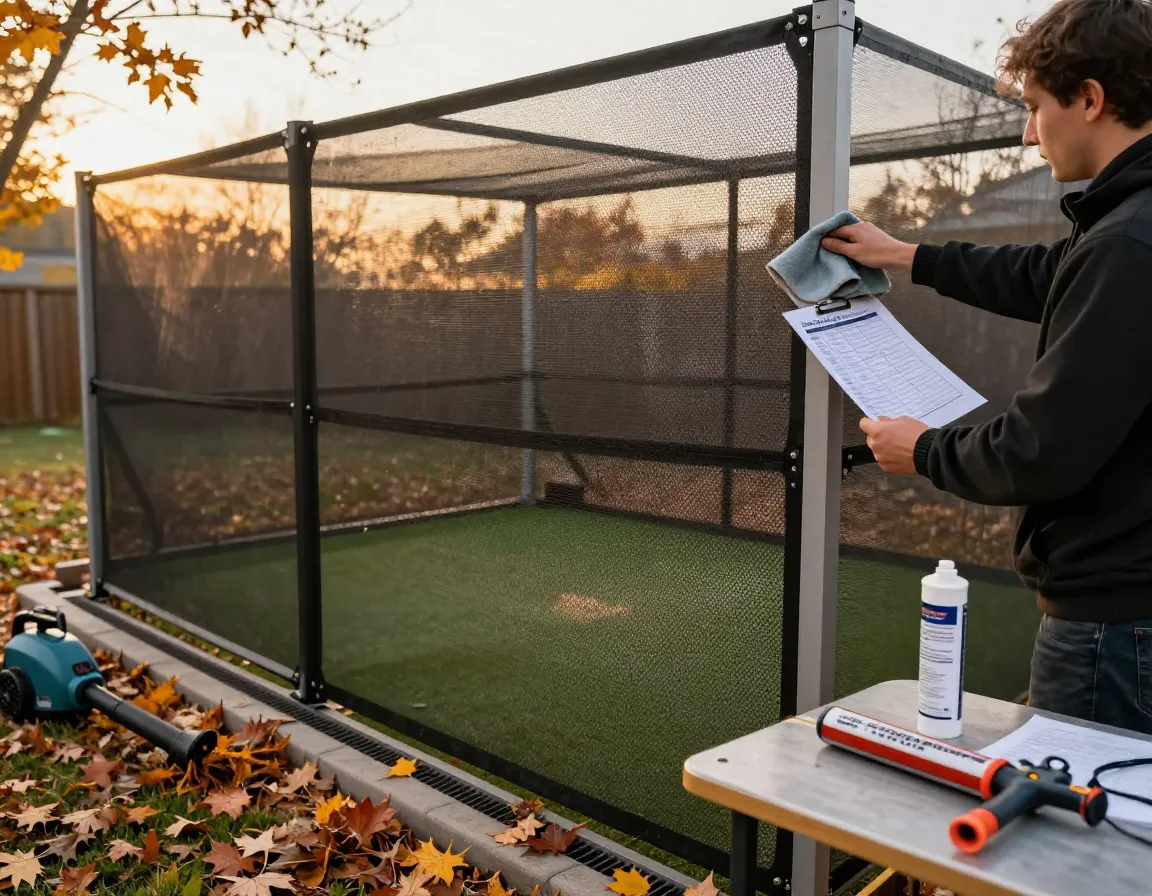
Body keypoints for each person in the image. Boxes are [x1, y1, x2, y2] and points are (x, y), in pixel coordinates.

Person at [822, 0, 1152, 733]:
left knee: (1075, 843)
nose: (1029, 133)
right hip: (1128, 619)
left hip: (1117, 629)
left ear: (1091, 99)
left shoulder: (1131, 241)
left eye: (1036, 107)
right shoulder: (1127, 225)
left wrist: (924, 450)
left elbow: (1043, 450)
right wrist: (905, 255)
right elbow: (1047, 273)